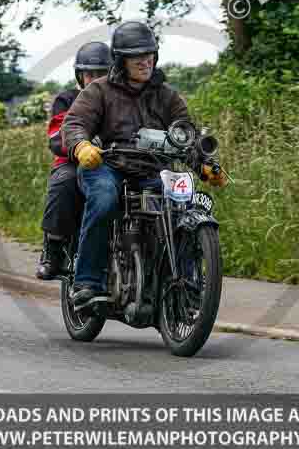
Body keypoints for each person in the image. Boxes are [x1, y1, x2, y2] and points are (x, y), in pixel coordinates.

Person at [60, 21, 227, 310]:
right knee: (104, 198)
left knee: (183, 207)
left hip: (152, 169)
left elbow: (184, 136)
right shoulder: (98, 91)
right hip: (107, 165)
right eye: (136, 55)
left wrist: (204, 166)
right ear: (120, 60)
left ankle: (185, 286)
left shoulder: (167, 96)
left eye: (149, 53)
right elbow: (74, 124)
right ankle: (87, 282)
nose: (145, 60)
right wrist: (81, 145)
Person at [35, 41, 112, 280]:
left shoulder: (119, 99)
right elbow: (57, 136)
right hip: (72, 161)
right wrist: (79, 148)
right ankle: (53, 249)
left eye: (102, 73)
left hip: (113, 162)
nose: (96, 79)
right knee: (65, 182)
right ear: (80, 76)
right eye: (90, 74)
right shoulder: (67, 99)